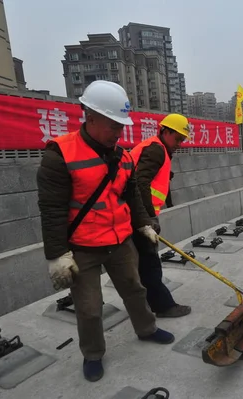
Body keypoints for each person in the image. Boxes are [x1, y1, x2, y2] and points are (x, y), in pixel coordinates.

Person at [37, 80, 174, 382]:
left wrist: (143, 224)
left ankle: (147, 329)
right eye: (114, 125)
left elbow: (132, 194)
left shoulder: (122, 155)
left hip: (120, 240)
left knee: (136, 290)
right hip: (83, 246)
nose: (118, 132)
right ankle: (93, 353)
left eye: (121, 126)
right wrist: (57, 255)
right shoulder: (59, 155)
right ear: (91, 117)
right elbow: (52, 210)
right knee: (88, 307)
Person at [130, 113, 192, 318]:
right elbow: (140, 183)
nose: (180, 144)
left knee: (141, 264)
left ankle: (144, 303)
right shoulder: (156, 150)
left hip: (132, 213)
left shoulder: (158, 147)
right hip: (137, 217)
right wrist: (147, 219)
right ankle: (164, 306)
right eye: (178, 139)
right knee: (150, 263)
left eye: (182, 140)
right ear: (166, 131)